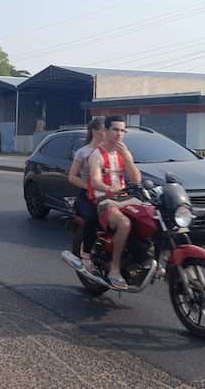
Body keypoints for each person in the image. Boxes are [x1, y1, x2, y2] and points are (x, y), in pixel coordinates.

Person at [87, 116, 142, 290]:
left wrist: (126, 157)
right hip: (105, 200)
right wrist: (109, 188)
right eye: (115, 130)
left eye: (122, 130)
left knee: (153, 217)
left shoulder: (124, 153)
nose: (119, 134)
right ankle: (115, 269)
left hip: (124, 197)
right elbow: (95, 181)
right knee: (124, 224)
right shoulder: (95, 156)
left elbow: (136, 178)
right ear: (107, 131)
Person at [67, 117, 105, 272]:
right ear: (94, 131)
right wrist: (89, 187)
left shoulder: (111, 151)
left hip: (107, 193)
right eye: (105, 130)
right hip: (86, 195)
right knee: (93, 217)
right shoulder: (83, 152)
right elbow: (72, 176)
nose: (108, 133)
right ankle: (86, 255)